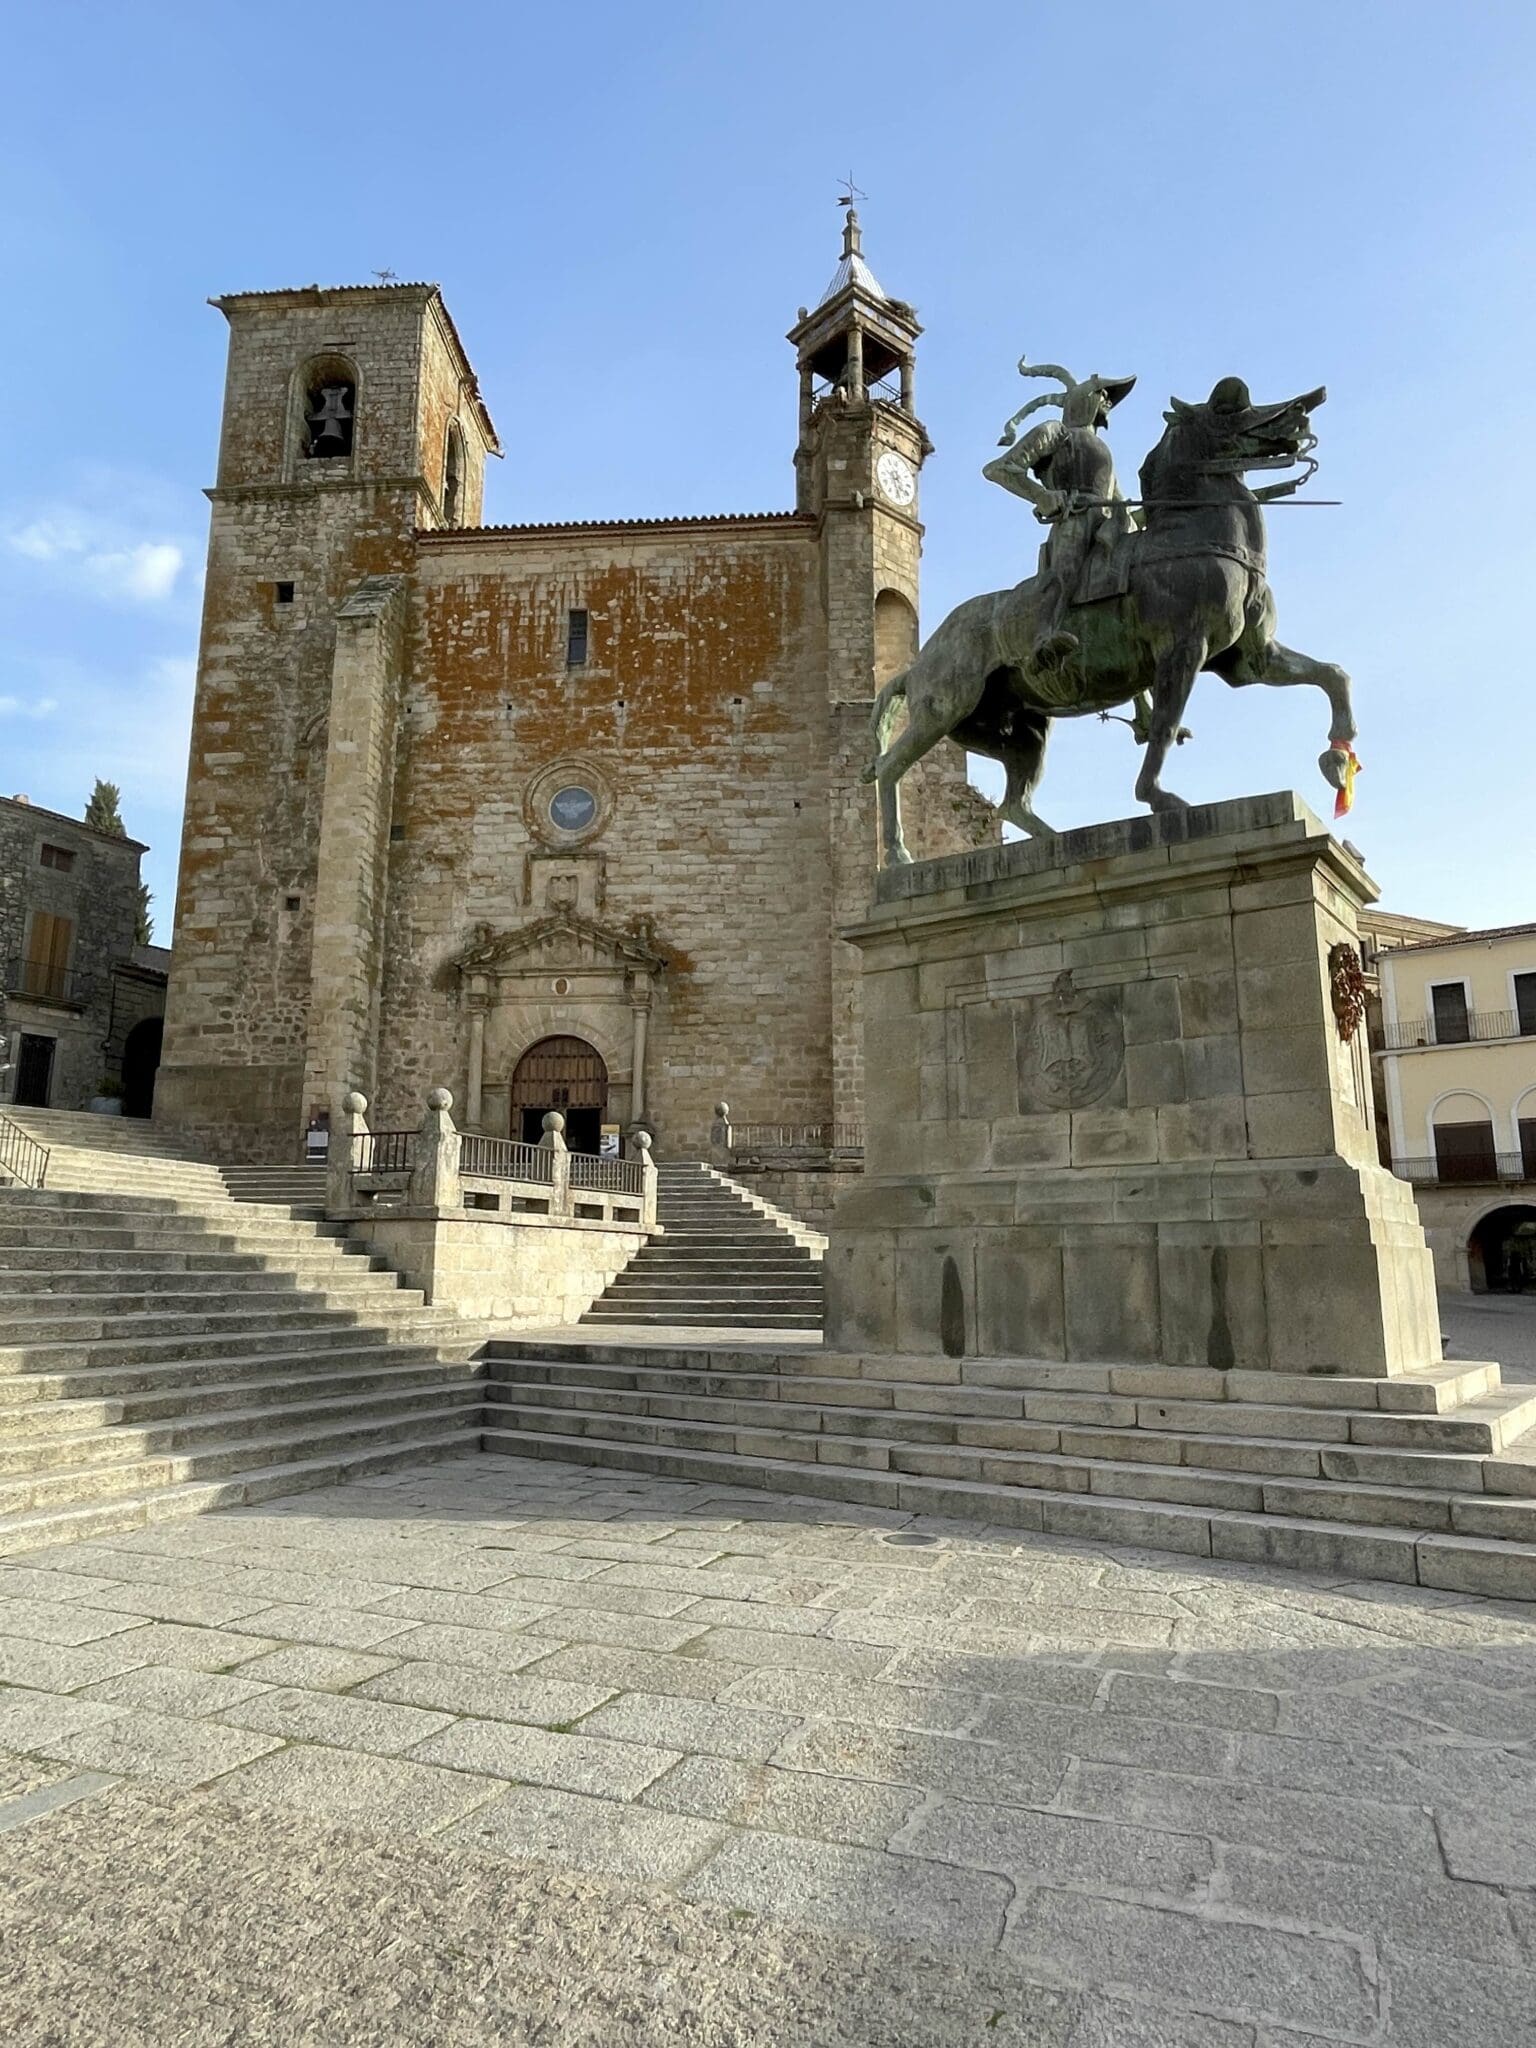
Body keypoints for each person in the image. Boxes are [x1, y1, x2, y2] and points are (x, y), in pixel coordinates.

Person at [983, 360, 1136, 674]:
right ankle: (1043, 642)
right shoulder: (1057, 432)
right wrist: (1042, 496)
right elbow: (999, 469)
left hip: (1108, 524)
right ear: (1085, 399)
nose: (1108, 401)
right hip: (1073, 520)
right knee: (1065, 576)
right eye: (1104, 394)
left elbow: (1117, 499)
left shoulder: (1102, 449)